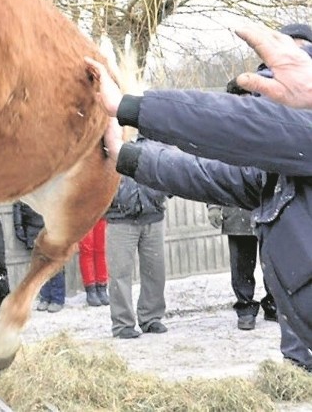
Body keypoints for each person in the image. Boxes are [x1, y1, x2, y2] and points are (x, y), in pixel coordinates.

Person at [85, 22, 312, 368]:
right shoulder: (276, 174)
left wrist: (130, 107)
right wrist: (127, 156)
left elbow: (241, 124)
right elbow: (203, 172)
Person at [105, 171, 169, 338]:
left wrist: (159, 192)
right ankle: (122, 324)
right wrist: (113, 198)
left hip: (153, 214)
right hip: (119, 218)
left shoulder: (153, 143)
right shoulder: (106, 144)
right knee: (119, 273)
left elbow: (166, 165)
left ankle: (151, 318)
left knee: (155, 271)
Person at [207, 203, 277, 330]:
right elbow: (218, 181)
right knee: (241, 263)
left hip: (270, 204)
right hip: (237, 207)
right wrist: (213, 206)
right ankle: (245, 308)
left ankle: (274, 304)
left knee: (274, 261)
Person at [13, 200, 65, 313]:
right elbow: (18, 202)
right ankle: (45, 297)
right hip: (32, 224)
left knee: (55, 264)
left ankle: (57, 298)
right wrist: (18, 225)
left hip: (52, 224)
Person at [79, 219, 109, 307]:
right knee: (86, 250)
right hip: (84, 213)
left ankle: (102, 287)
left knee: (101, 249)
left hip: (100, 211)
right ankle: (90, 289)